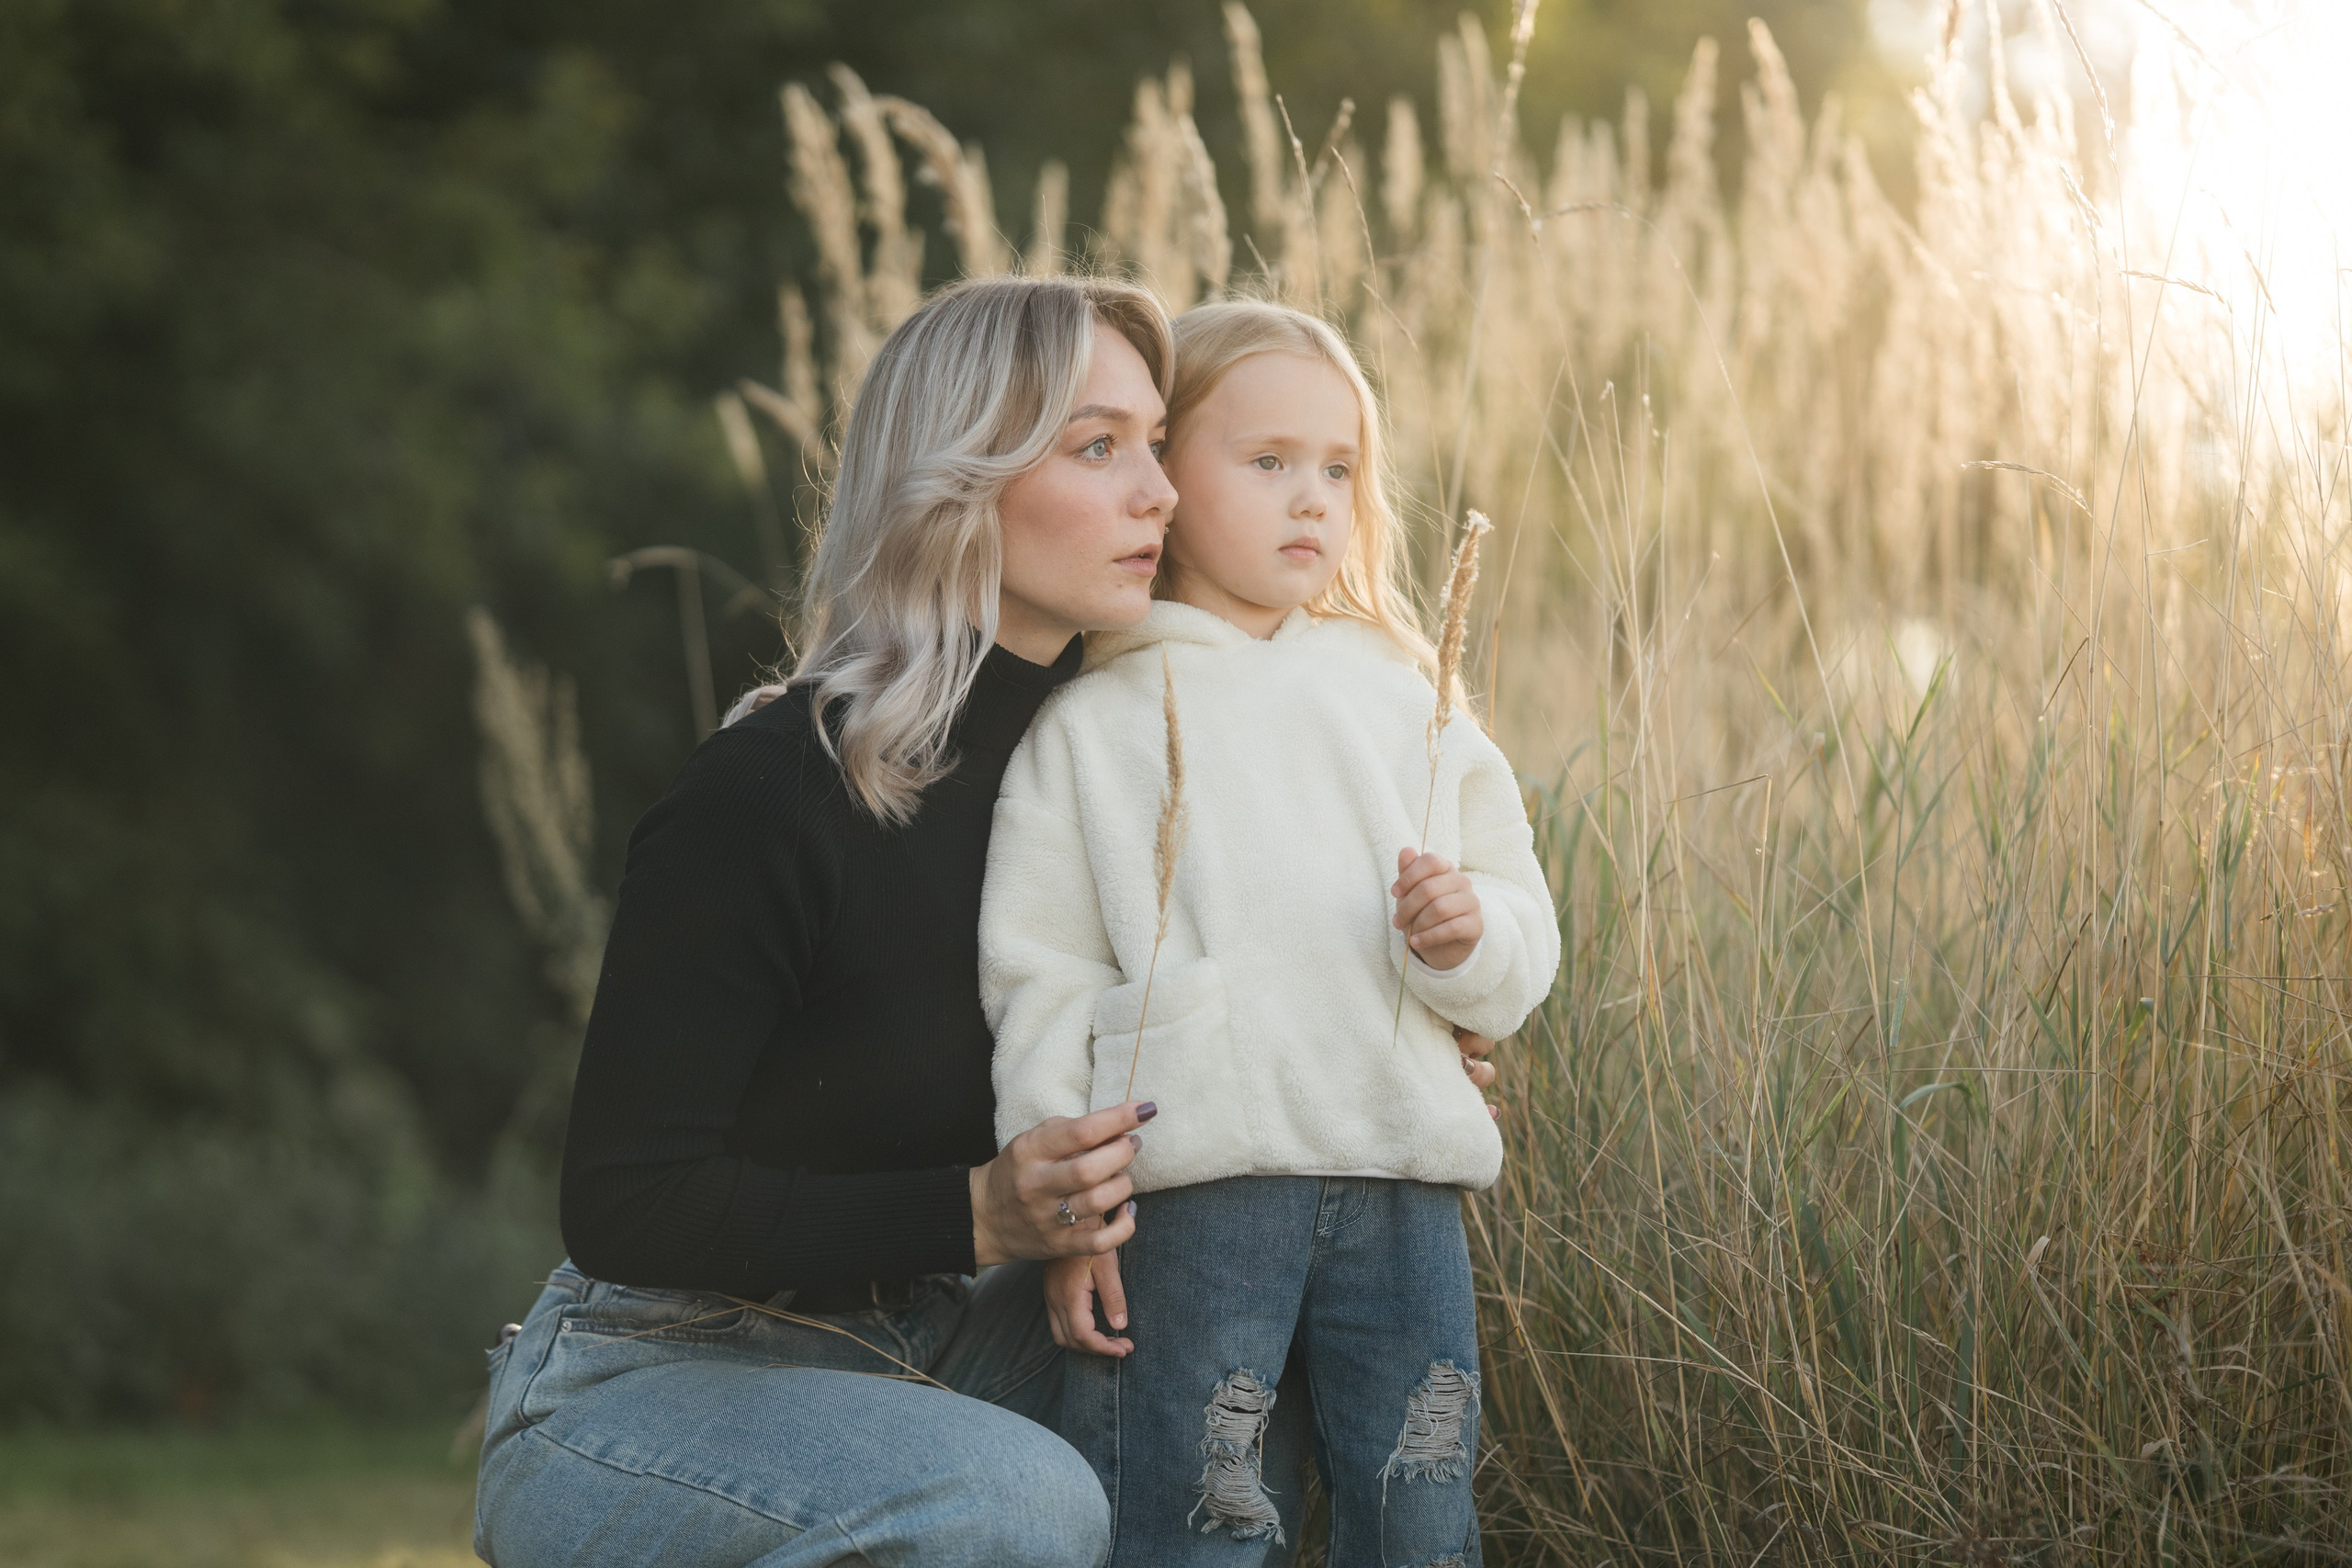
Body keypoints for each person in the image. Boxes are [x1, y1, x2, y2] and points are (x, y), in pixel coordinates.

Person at [471, 275, 1180, 1568]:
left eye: (1160, 443)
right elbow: (626, 1202)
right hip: (654, 1386)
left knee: (1239, 1351)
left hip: (933, 1350)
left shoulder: (1127, 784)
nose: (1160, 492)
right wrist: (975, 1214)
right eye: (1097, 446)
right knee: (1021, 1506)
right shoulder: (777, 789)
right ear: (958, 482)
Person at [980, 300, 1560, 1566]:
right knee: (1199, 1513)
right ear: (1166, 477)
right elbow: (1042, 977)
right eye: (1268, 463)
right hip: (1194, 1199)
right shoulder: (1093, 718)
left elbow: (1518, 932)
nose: (1313, 499)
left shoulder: (1405, 697)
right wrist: (1065, 1213)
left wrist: (1471, 941)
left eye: (1340, 470)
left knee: (1420, 1507)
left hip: (1401, 1186)